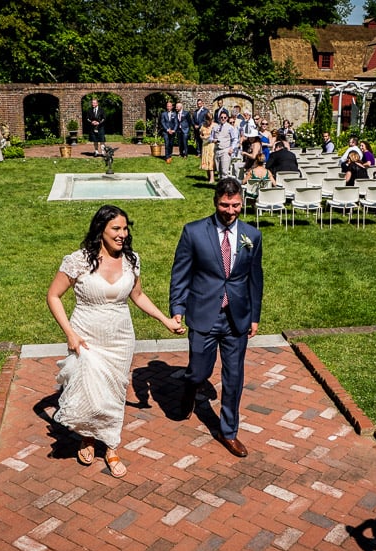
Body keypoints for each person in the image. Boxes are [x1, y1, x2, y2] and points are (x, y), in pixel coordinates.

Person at [47, 205, 185, 478]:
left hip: (120, 339)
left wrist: (166, 321)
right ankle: (87, 437)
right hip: (86, 336)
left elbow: (138, 296)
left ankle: (110, 446)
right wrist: (70, 334)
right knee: (89, 392)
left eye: (125, 228)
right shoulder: (79, 261)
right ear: (101, 230)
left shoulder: (131, 260)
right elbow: (53, 296)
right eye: (116, 229)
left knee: (114, 394)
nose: (122, 234)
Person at [169, 178, 264, 458]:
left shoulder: (252, 236)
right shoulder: (194, 232)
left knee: (234, 377)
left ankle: (228, 431)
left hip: (237, 317)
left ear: (242, 203)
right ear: (215, 202)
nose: (230, 210)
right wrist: (177, 307)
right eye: (225, 204)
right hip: (203, 313)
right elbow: (180, 274)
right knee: (199, 371)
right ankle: (190, 388)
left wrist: (254, 316)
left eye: (235, 205)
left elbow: (255, 279)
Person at [212, 112, 237, 180]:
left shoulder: (230, 127)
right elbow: (211, 137)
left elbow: (235, 139)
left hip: (225, 150)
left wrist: (232, 148)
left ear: (227, 118)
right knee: (218, 171)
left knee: (224, 171)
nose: (223, 119)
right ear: (219, 118)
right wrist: (213, 140)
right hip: (217, 150)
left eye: (224, 117)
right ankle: (221, 186)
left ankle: (225, 188)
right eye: (221, 117)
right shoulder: (215, 127)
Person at [199, 114, 215, 183]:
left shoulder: (215, 126)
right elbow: (200, 134)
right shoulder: (203, 125)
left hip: (212, 145)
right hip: (205, 145)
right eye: (208, 120)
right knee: (206, 159)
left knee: (210, 160)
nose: (209, 122)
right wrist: (202, 137)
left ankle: (212, 178)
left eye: (210, 120)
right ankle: (208, 176)